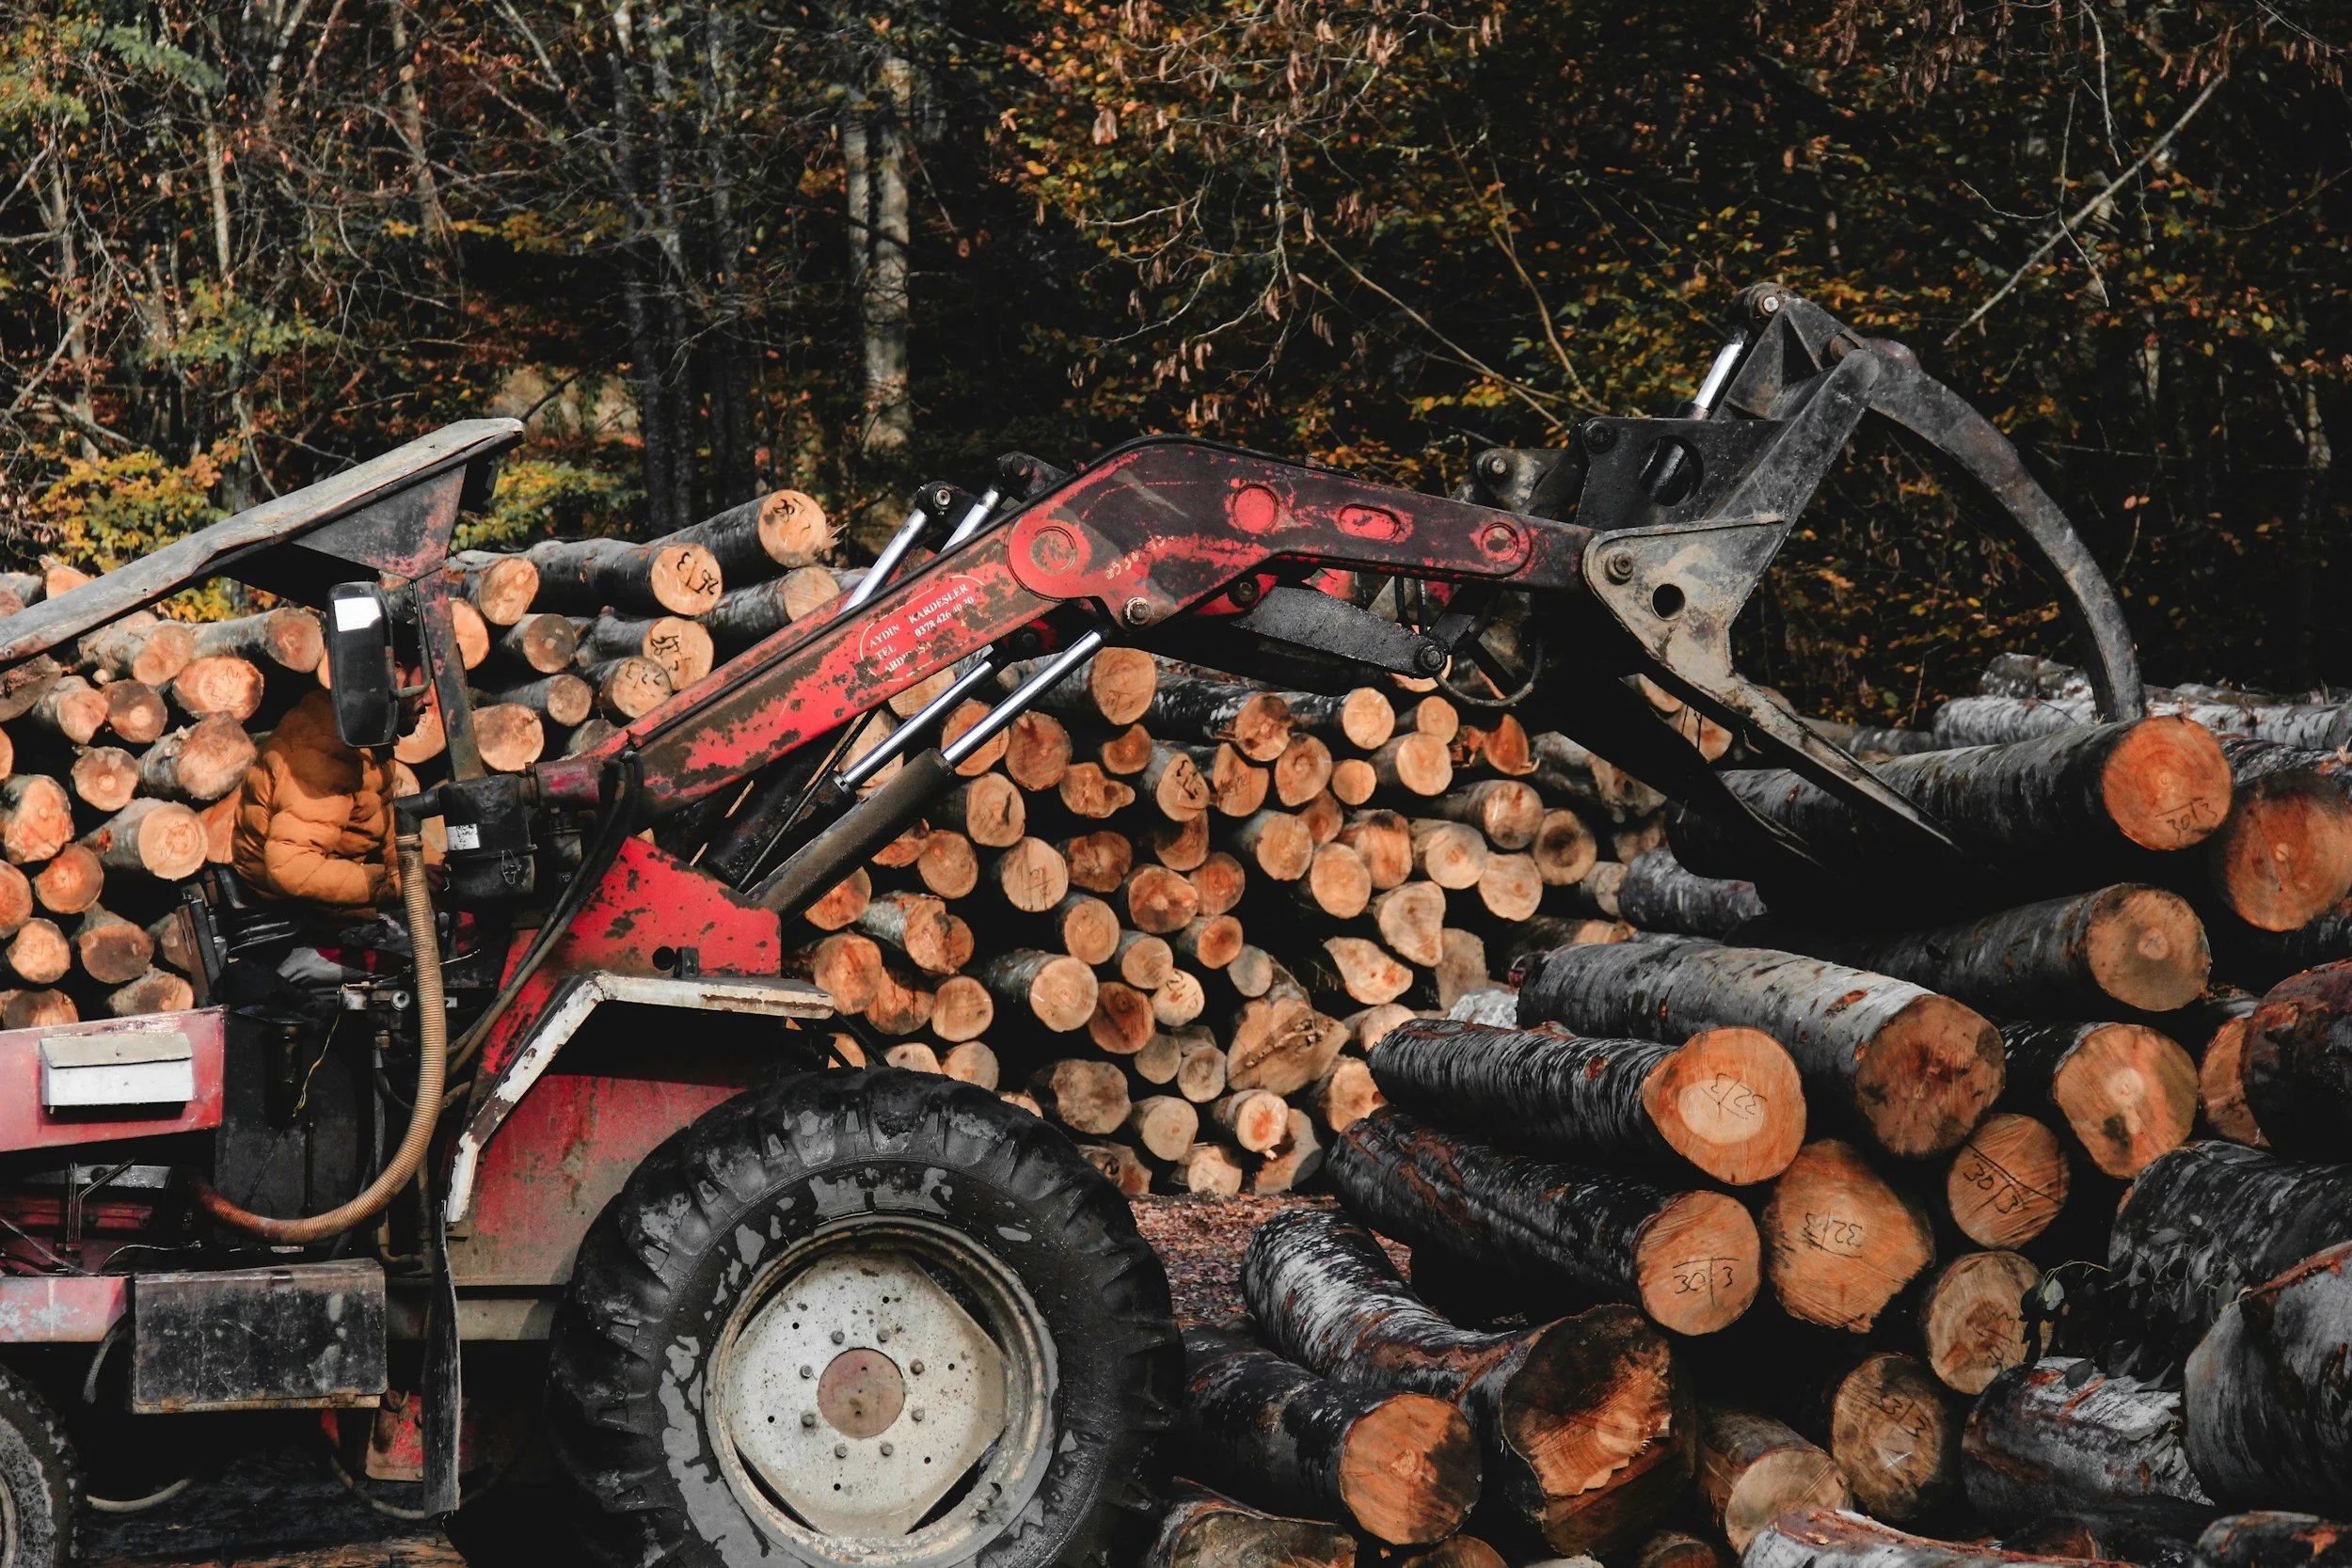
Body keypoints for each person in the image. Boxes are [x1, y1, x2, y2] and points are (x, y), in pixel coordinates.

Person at [232, 688, 398, 911]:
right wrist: (396, 883)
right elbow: (291, 870)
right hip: (294, 912)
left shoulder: (362, 732)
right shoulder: (323, 749)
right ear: (391, 669)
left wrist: (416, 864)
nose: (428, 698)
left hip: (333, 890)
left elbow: (376, 813)